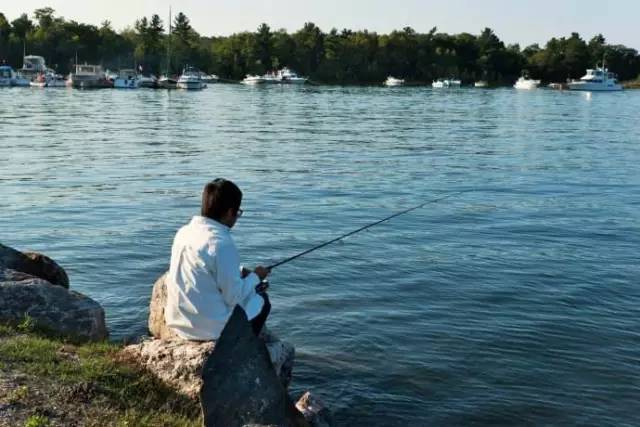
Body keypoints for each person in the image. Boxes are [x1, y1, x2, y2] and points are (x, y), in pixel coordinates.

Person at [165, 178, 271, 340]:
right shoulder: (221, 243)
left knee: (250, 288)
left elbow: (205, 267)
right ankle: (240, 348)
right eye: (238, 213)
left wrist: (241, 272)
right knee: (262, 300)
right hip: (210, 330)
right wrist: (256, 277)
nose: (236, 218)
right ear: (230, 212)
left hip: (179, 324)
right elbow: (234, 298)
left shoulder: (183, 233)